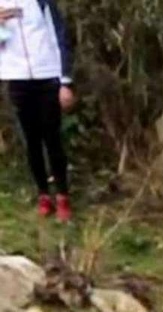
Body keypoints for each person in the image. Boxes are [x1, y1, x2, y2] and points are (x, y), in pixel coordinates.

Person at [1, 0, 73, 220]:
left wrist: (65, 82)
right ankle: (43, 194)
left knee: (52, 138)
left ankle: (62, 195)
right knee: (30, 140)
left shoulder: (42, 2)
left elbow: (61, 37)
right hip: (17, 78)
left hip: (47, 75)